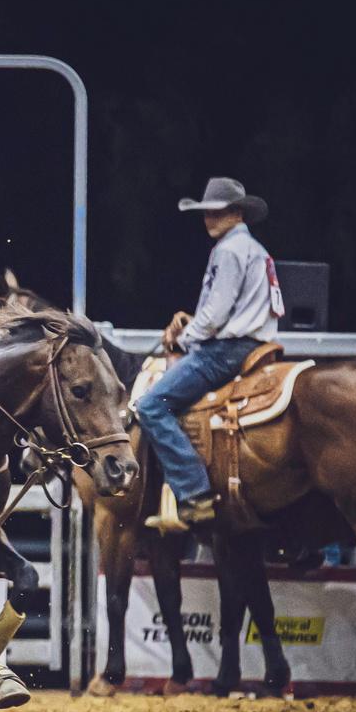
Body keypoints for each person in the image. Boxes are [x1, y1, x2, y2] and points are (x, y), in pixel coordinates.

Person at [141, 177, 284, 531]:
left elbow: (216, 314)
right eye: (206, 212)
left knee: (151, 406)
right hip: (251, 344)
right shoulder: (254, 250)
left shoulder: (229, 251)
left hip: (226, 350)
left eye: (217, 212)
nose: (209, 219)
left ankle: (194, 492)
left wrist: (184, 338)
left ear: (237, 213)